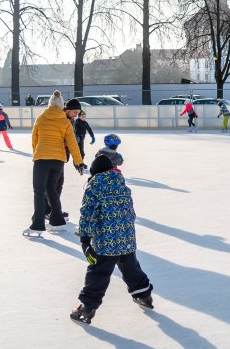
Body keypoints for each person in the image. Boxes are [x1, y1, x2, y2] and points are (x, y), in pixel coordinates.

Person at [70, 155, 154, 324]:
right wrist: (126, 231)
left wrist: (85, 239)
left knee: (99, 272)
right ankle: (145, 296)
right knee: (131, 268)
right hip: (126, 238)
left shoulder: (94, 187)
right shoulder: (122, 185)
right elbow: (131, 213)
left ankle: (87, 307)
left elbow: (88, 214)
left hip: (106, 241)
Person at [23, 91, 86, 237]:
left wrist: (37, 153)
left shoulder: (41, 118)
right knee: (52, 190)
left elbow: (34, 139)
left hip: (42, 159)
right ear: (62, 106)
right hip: (58, 161)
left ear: (50, 104)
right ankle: (57, 222)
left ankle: (37, 225)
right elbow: (72, 143)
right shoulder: (65, 121)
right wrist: (79, 162)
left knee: (39, 192)